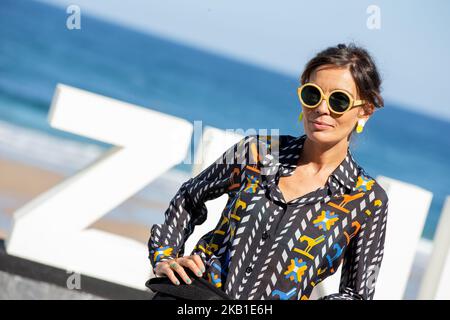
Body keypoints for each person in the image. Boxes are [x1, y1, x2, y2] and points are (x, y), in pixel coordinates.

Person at [147, 42, 389, 300]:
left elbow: (357, 294)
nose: (321, 108)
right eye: (312, 94)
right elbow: (189, 197)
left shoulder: (367, 200)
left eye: (338, 100)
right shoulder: (257, 152)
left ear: (365, 111)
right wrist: (165, 256)